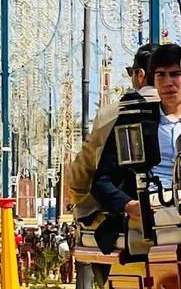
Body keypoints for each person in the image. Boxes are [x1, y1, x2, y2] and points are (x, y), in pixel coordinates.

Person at [91, 43, 181, 221]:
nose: (168, 82)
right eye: (161, 75)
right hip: (151, 213)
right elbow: (102, 181)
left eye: (175, 74)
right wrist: (129, 205)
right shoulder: (136, 122)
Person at [68, 43, 159, 221]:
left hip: (125, 212)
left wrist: (80, 196)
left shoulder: (113, 113)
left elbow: (85, 166)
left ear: (139, 75)